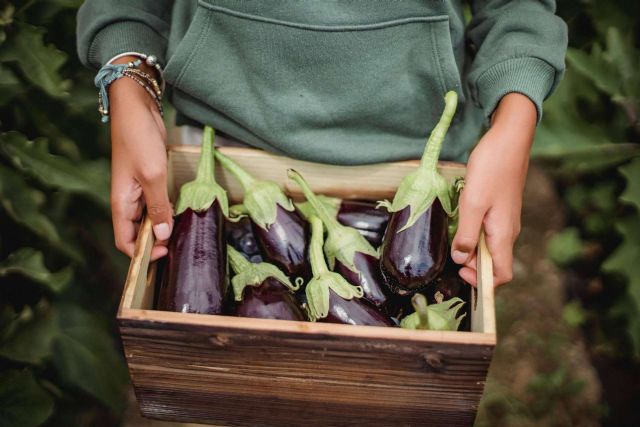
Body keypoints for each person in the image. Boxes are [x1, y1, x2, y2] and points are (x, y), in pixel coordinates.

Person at [76, 1, 568, 287]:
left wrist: (514, 124)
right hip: (218, 139)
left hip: (419, 162)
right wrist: (127, 78)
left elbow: (516, 5)